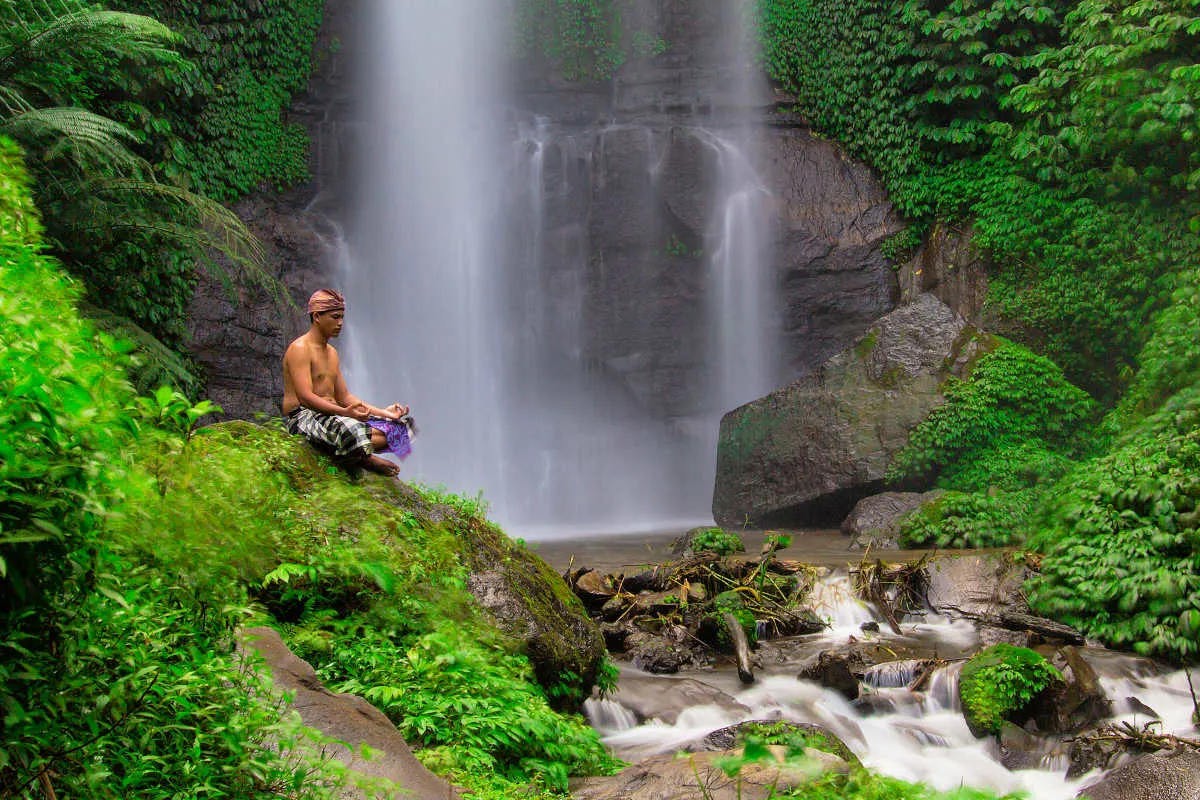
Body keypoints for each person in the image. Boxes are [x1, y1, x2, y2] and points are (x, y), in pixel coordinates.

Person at [282, 288, 411, 476]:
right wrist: (345, 413)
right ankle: (364, 459)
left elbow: (344, 396)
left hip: (334, 417)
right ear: (317, 317)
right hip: (303, 417)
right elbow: (305, 397)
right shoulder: (300, 349)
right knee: (351, 429)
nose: (340, 323)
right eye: (335, 317)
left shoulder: (332, 353)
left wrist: (384, 413)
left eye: (342, 317)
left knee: (402, 429)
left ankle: (356, 452)